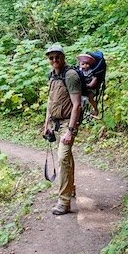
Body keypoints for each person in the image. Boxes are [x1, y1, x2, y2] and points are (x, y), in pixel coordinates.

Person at [42, 43, 83, 215]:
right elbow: (50, 103)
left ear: (63, 56)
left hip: (68, 123)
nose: (54, 60)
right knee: (66, 158)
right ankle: (71, 188)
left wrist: (70, 130)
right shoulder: (52, 76)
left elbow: (77, 105)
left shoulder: (71, 75)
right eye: (51, 57)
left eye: (57, 56)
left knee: (62, 157)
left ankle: (64, 202)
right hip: (56, 123)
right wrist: (46, 124)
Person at [77, 52, 102, 118]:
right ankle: (80, 111)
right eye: (83, 64)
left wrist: (90, 85)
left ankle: (96, 109)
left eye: (87, 64)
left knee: (90, 98)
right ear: (79, 64)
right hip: (81, 88)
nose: (85, 66)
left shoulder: (91, 71)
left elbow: (95, 78)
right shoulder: (78, 71)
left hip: (90, 88)